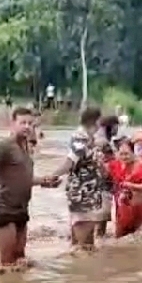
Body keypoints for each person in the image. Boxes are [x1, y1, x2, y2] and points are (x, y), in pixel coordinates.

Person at [0, 108, 58, 272]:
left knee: (20, 260)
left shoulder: (26, 148)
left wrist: (44, 181)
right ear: (12, 124)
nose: (27, 126)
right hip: (5, 209)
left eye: (30, 123)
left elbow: (22, 179)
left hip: (22, 210)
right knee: (7, 264)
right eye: (22, 122)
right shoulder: (4, 146)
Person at [44, 107, 111, 250]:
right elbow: (70, 162)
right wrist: (52, 176)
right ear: (95, 120)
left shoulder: (89, 138)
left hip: (89, 193)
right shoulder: (80, 138)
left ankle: (80, 268)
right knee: (83, 245)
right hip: (82, 194)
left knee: (86, 243)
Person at [107, 139, 142, 238]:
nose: (124, 157)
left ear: (133, 153)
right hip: (124, 210)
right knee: (119, 242)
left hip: (141, 211)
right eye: (121, 154)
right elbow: (103, 172)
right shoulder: (116, 165)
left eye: (127, 154)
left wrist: (131, 186)